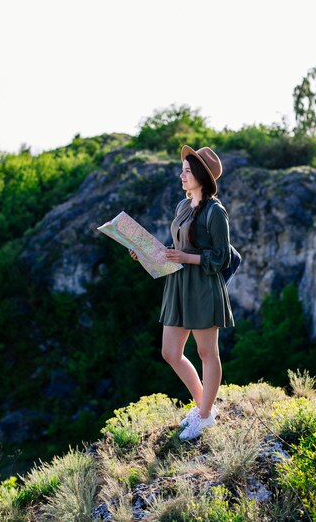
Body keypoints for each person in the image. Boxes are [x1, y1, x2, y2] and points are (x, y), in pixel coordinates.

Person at [131, 145, 234, 440]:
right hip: (178, 284)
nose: (182, 175)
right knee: (170, 352)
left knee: (206, 352)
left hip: (202, 284)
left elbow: (222, 257)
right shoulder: (182, 206)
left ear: (201, 175)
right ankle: (204, 407)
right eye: (183, 170)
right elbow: (175, 248)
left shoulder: (216, 212)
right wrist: (148, 254)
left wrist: (187, 258)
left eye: (187, 171)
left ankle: (204, 416)